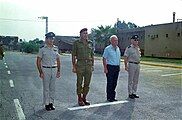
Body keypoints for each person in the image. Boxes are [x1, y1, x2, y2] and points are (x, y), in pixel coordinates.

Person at [36, 32, 61, 111]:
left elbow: (58, 60)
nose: (51, 40)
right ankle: (46, 104)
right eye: (50, 38)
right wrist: (40, 72)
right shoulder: (42, 49)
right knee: (46, 88)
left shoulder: (56, 48)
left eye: (52, 39)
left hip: (54, 69)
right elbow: (38, 61)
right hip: (45, 69)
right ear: (46, 39)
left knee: (52, 88)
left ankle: (51, 103)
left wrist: (59, 71)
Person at [72, 28, 94, 106]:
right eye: (84, 33)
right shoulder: (76, 43)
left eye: (86, 33)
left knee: (87, 83)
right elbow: (74, 55)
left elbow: (92, 55)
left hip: (88, 65)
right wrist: (74, 66)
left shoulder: (90, 43)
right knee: (79, 83)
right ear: (80, 34)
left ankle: (84, 98)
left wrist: (92, 65)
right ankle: (79, 99)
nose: (85, 34)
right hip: (80, 64)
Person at [103, 35, 121, 102]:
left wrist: (119, 66)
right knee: (110, 82)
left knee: (114, 83)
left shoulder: (118, 48)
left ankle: (113, 96)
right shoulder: (107, 49)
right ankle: (109, 97)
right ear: (111, 41)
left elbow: (118, 58)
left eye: (117, 40)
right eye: (115, 40)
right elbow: (104, 58)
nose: (116, 42)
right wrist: (105, 68)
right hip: (110, 67)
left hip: (116, 67)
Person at [124, 35, 141, 99]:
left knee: (136, 80)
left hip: (138, 65)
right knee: (130, 80)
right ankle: (130, 93)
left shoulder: (138, 48)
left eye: (137, 40)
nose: (136, 41)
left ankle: (134, 92)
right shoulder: (129, 48)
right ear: (132, 40)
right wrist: (126, 66)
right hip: (132, 64)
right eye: (135, 40)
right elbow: (125, 57)